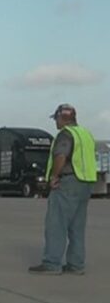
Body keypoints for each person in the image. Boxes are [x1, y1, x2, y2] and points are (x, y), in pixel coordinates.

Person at [29, 104, 97, 275]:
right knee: (77, 226)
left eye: (56, 119)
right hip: (86, 182)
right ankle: (76, 264)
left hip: (68, 182)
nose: (55, 123)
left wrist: (54, 177)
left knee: (56, 223)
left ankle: (52, 263)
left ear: (61, 118)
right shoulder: (86, 134)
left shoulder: (65, 134)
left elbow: (61, 156)